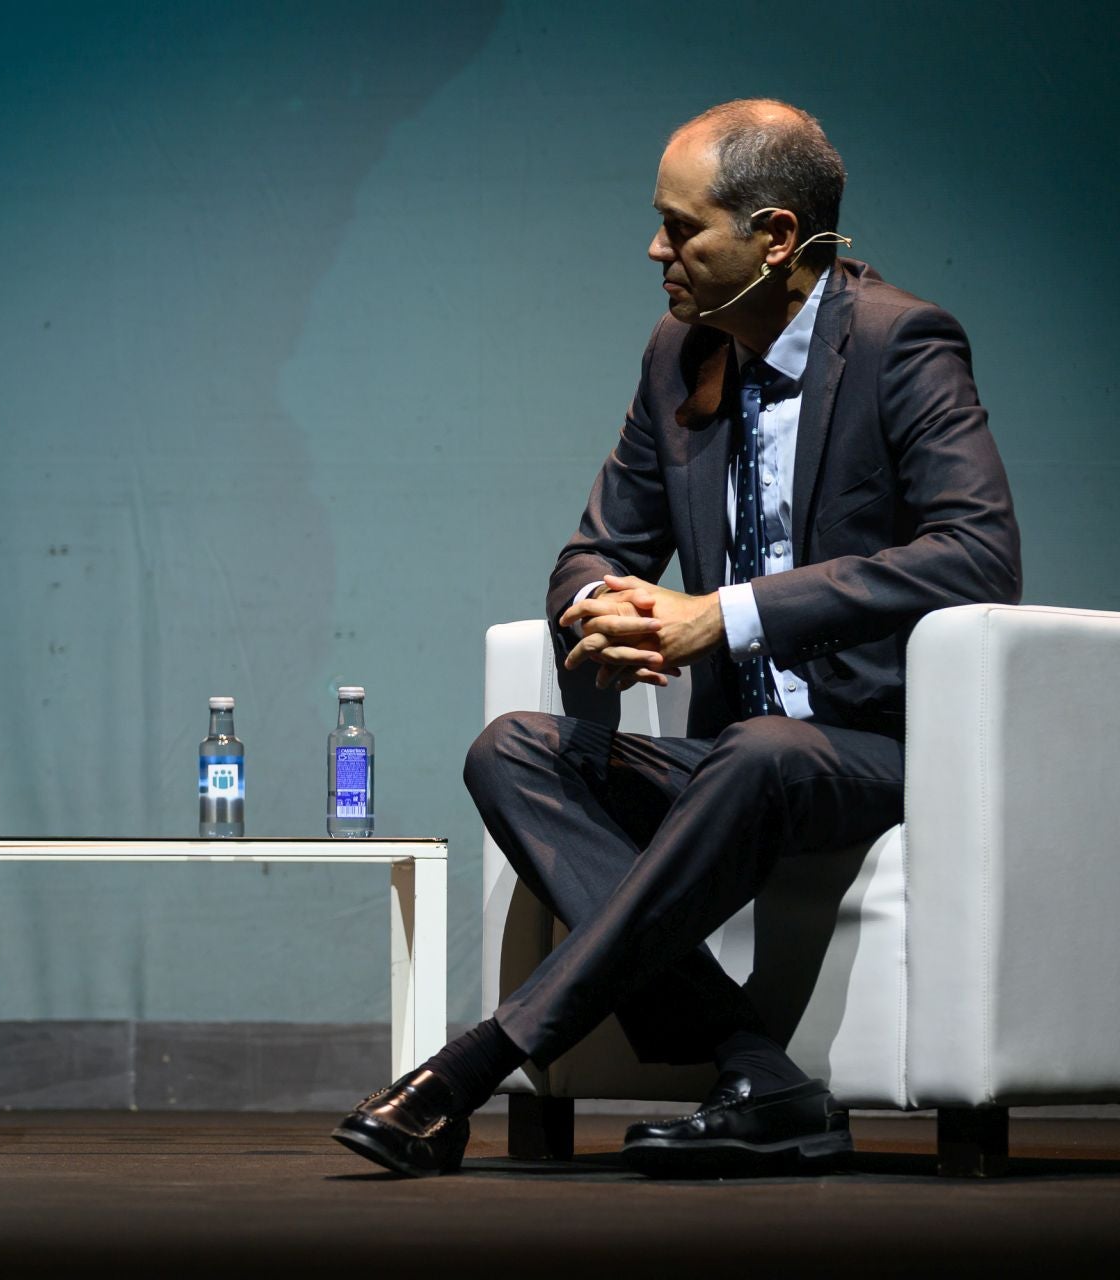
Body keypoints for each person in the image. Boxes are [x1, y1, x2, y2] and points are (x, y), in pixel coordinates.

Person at [334, 100, 1020, 1178]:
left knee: (761, 749)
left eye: (683, 227)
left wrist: (731, 611)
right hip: (737, 757)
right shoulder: (677, 358)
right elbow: (595, 546)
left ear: (777, 236)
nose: (658, 250)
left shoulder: (898, 343)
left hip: (872, 753)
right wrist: (603, 609)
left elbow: (976, 555)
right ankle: (760, 1068)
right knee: (508, 746)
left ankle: (472, 1063)